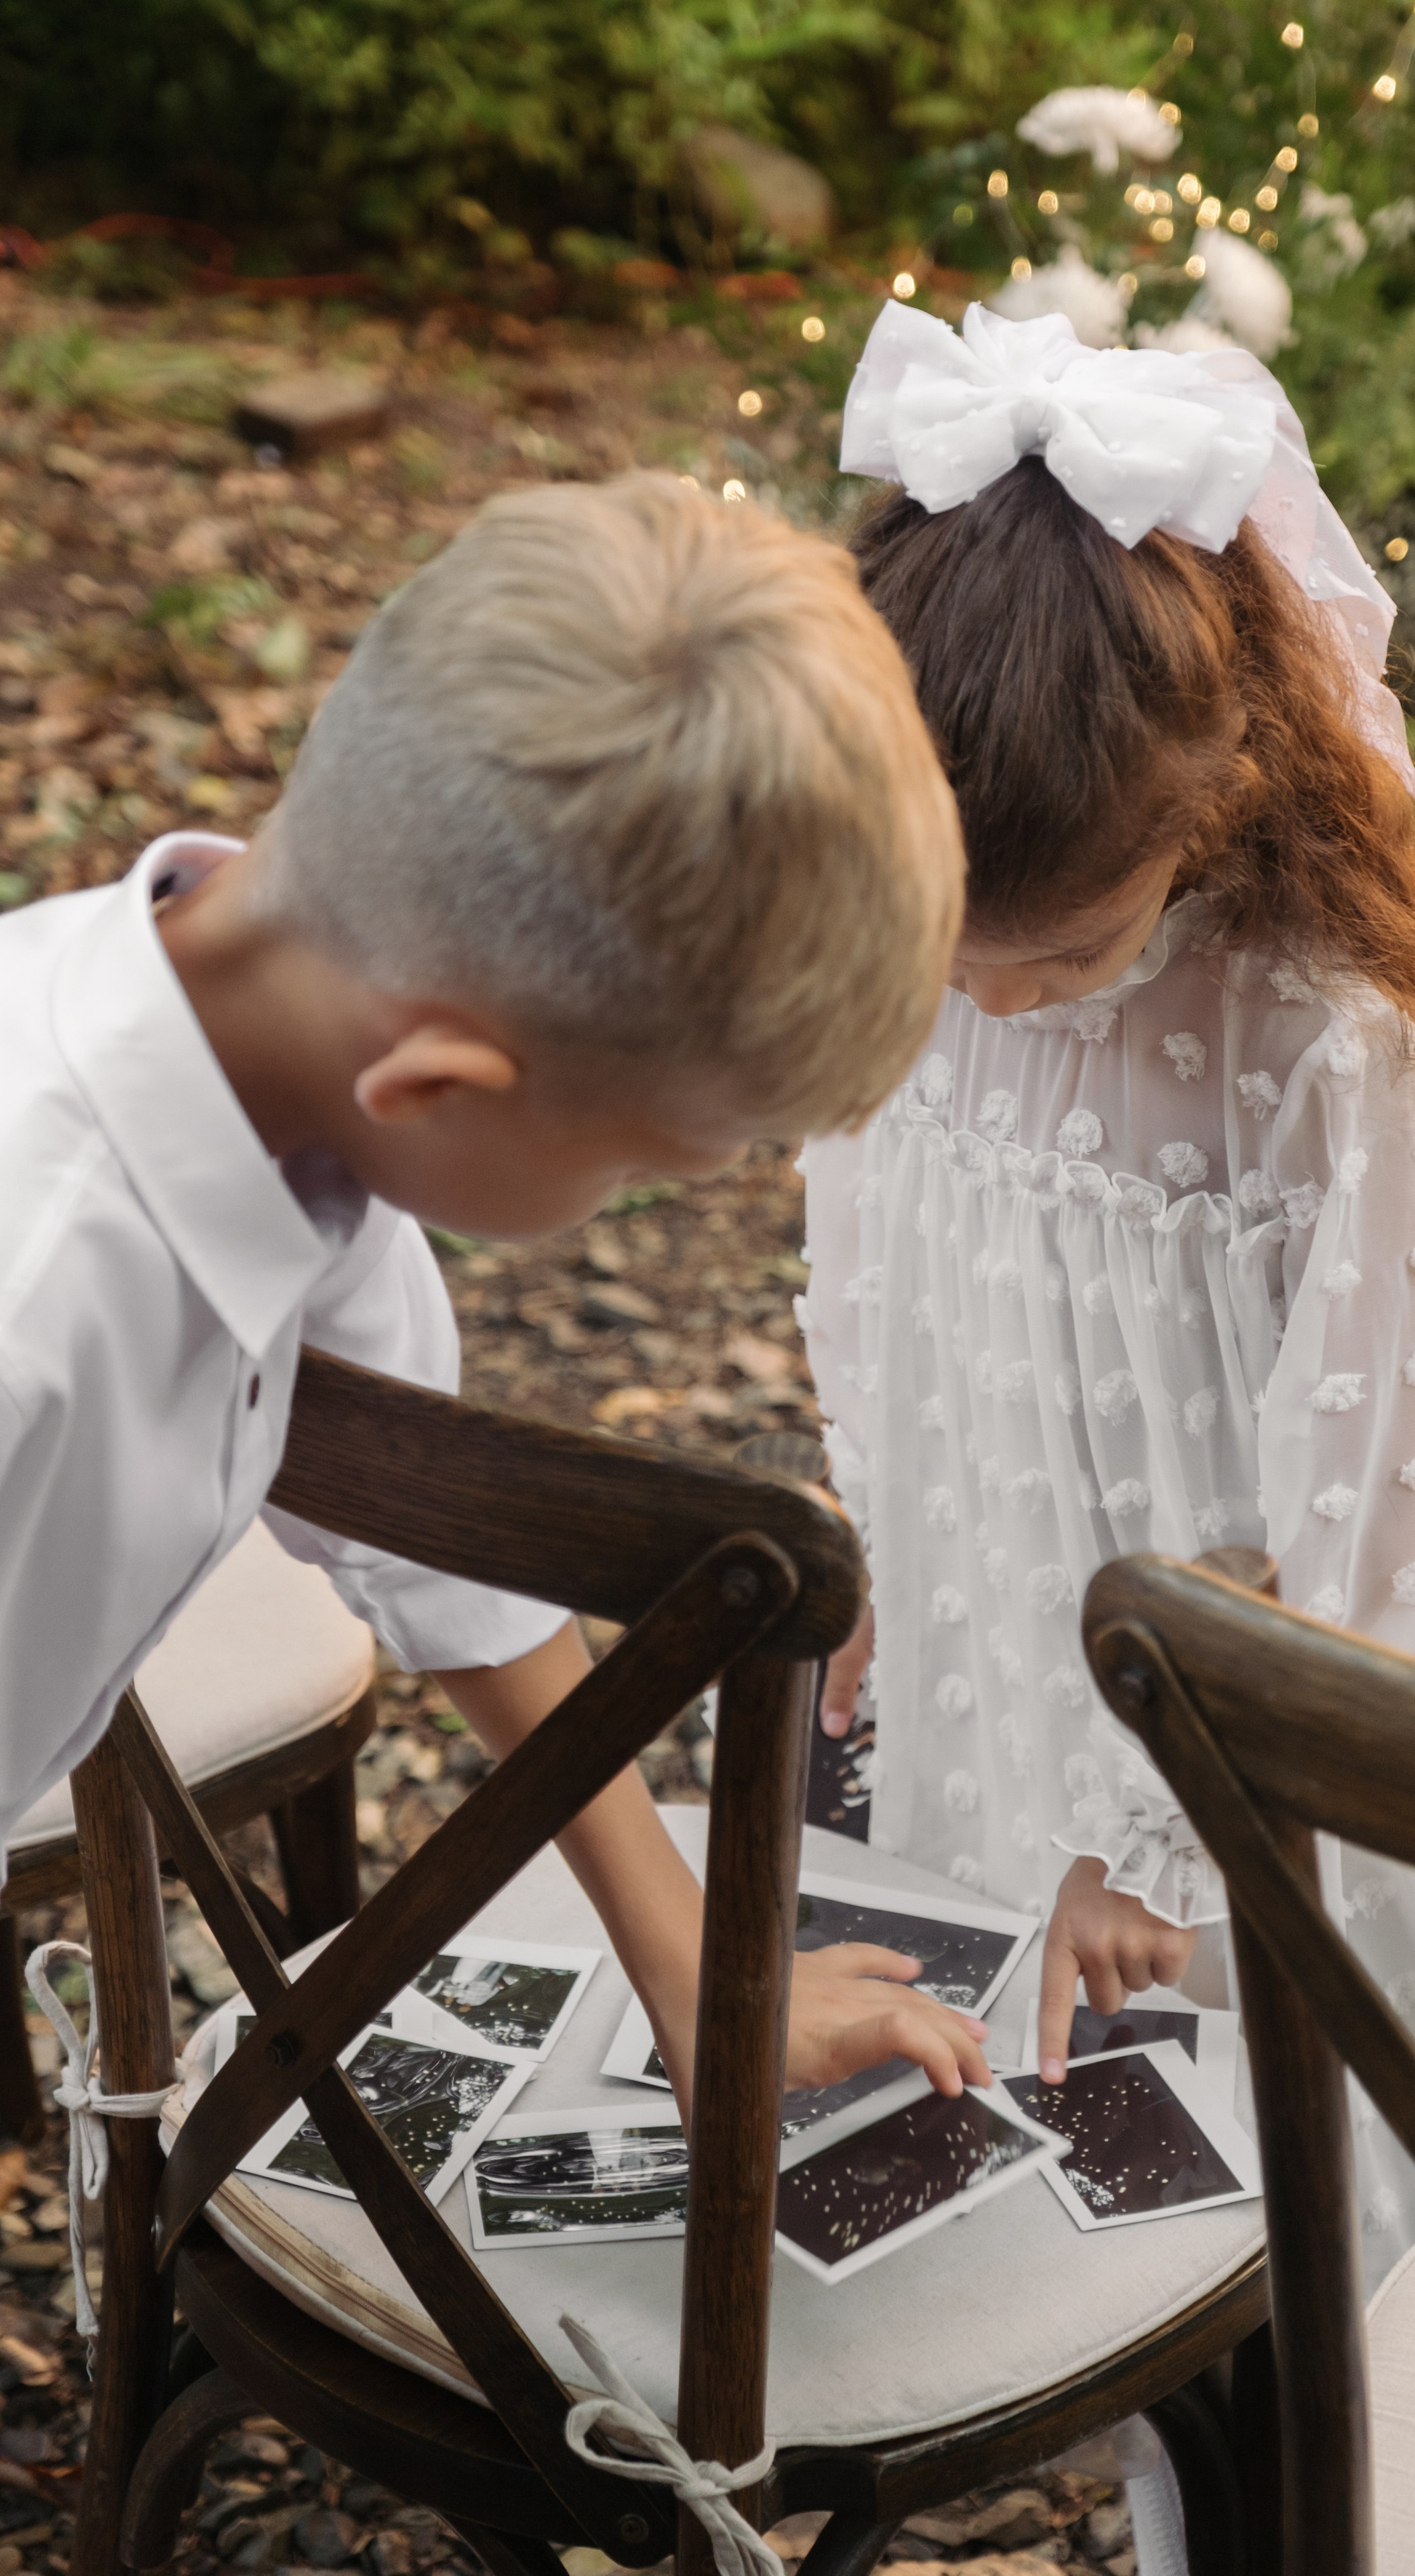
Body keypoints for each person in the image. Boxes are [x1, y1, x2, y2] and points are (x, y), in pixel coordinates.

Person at [801, 302, 1415, 2288]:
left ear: (1228, 785)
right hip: (1015, 1630)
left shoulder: (1311, 1047)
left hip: (1255, 1736)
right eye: (950, 947)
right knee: (1059, 2165)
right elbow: (874, 1266)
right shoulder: (904, 966)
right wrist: (883, 1539)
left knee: (1312, 2187)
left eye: (1063, 945)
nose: (990, 1001)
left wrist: (1161, 1824)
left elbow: (1373, 1520)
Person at [0, 471, 989, 2118]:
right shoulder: (42, 1316)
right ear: (443, 1084)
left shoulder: (281, 1060)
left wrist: (683, 1953)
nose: (633, 1205)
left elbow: (432, 1543)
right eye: (642, 1168)